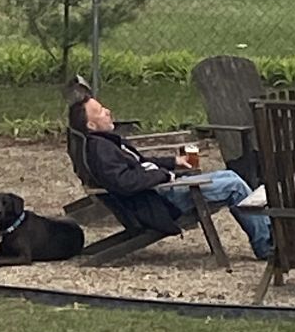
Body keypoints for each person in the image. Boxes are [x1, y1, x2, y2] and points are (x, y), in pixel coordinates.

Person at [68, 95, 272, 260]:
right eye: (101, 112)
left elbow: (141, 163)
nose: (108, 111)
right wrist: (164, 175)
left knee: (230, 175)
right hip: (160, 201)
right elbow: (125, 182)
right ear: (91, 126)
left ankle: (269, 233)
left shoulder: (105, 143)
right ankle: (265, 245)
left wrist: (173, 162)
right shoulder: (101, 150)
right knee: (234, 186)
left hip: (160, 190)